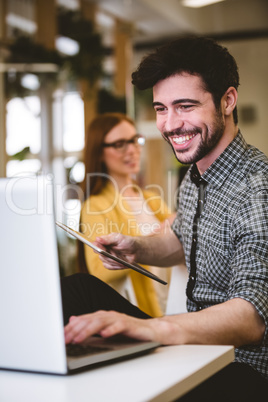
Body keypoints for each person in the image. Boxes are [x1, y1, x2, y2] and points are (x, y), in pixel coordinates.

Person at [62, 36, 268, 399]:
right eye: (161, 109)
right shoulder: (196, 174)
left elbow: (251, 318)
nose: (170, 125)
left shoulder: (258, 187)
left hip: (239, 371)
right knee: (77, 289)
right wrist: (137, 248)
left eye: (185, 106)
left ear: (227, 101)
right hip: (194, 352)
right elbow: (184, 242)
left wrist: (152, 329)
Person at [78, 112, 173, 317]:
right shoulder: (95, 206)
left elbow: (181, 237)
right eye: (120, 144)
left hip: (175, 308)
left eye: (134, 140)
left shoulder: (152, 198)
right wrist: (145, 245)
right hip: (139, 315)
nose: (132, 150)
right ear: (100, 153)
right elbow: (98, 270)